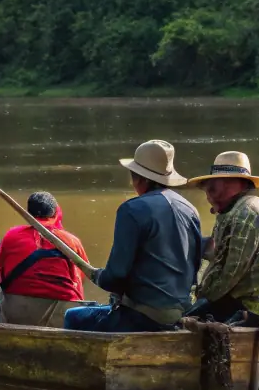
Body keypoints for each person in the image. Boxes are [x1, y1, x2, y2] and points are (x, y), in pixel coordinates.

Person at [63, 140, 203, 333]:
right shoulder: (190, 209)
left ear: (140, 179)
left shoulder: (132, 210)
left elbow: (116, 276)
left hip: (144, 317)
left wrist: (100, 276)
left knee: (73, 316)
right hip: (182, 313)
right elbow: (195, 265)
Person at [186, 151, 259, 328]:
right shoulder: (235, 210)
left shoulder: (246, 213)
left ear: (231, 183)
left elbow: (230, 272)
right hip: (257, 304)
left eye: (211, 187)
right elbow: (218, 258)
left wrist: (200, 299)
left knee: (188, 318)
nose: (207, 193)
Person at [0, 192, 89, 327]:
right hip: (62, 312)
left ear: (29, 214)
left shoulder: (12, 236)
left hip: (18, 310)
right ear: (55, 212)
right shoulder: (72, 241)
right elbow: (82, 277)